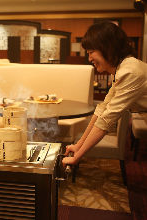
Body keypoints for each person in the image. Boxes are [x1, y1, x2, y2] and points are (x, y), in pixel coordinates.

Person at [62, 21, 147, 166]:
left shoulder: (130, 71)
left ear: (107, 47)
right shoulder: (123, 68)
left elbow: (107, 120)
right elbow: (103, 108)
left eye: (90, 52)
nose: (89, 59)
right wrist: (79, 145)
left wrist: (77, 157)